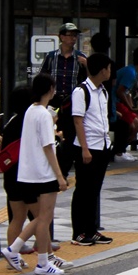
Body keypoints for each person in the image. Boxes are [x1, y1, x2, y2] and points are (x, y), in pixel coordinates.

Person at [1, 73, 69, 275]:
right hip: (44, 172)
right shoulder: (44, 114)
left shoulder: (30, 110)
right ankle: (42, 262)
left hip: (27, 172)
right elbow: (48, 147)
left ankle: (15, 249)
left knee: (38, 218)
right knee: (43, 217)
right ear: (50, 89)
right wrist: (59, 176)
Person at [70, 53, 113, 247]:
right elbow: (78, 121)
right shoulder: (81, 91)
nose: (110, 72)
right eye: (109, 68)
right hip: (88, 147)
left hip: (102, 145)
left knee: (94, 190)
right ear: (102, 70)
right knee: (83, 190)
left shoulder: (103, 91)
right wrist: (85, 149)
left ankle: (91, 229)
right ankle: (78, 232)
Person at [40, 22, 87, 178]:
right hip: (53, 100)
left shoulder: (80, 58)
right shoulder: (52, 57)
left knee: (68, 133)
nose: (72, 38)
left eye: (75, 35)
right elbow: (43, 77)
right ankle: (51, 160)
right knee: (51, 131)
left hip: (71, 100)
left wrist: (86, 65)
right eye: (69, 35)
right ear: (61, 37)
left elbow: (86, 80)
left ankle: (65, 164)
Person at [112, 47, 138, 162]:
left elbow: (126, 92)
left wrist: (132, 108)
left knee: (135, 124)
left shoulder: (130, 70)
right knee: (133, 125)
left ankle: (121, 150)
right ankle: (118, 151)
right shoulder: (130, 73)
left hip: (119, 102)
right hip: (116, 102)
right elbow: (120, 91)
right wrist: (130, 107)